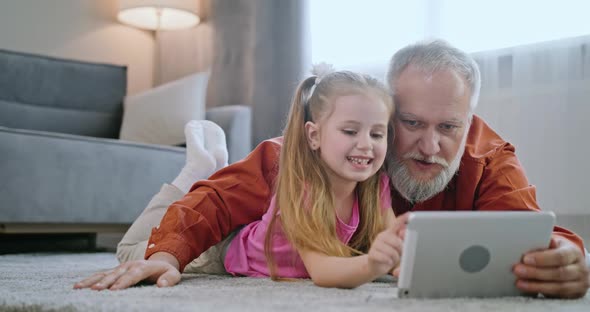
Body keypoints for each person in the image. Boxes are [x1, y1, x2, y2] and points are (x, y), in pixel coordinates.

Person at [75, 40, 589, 298]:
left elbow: (540, 234)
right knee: (139, 244)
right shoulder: (308, 156)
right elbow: (215, 202)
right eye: (409, 122)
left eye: (449, 127)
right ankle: (194, 169)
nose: (431, 146)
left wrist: (569, 256)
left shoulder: (488, 158)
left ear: (469, 119)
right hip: (239, 241)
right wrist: (166, 254)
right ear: (387, 111)